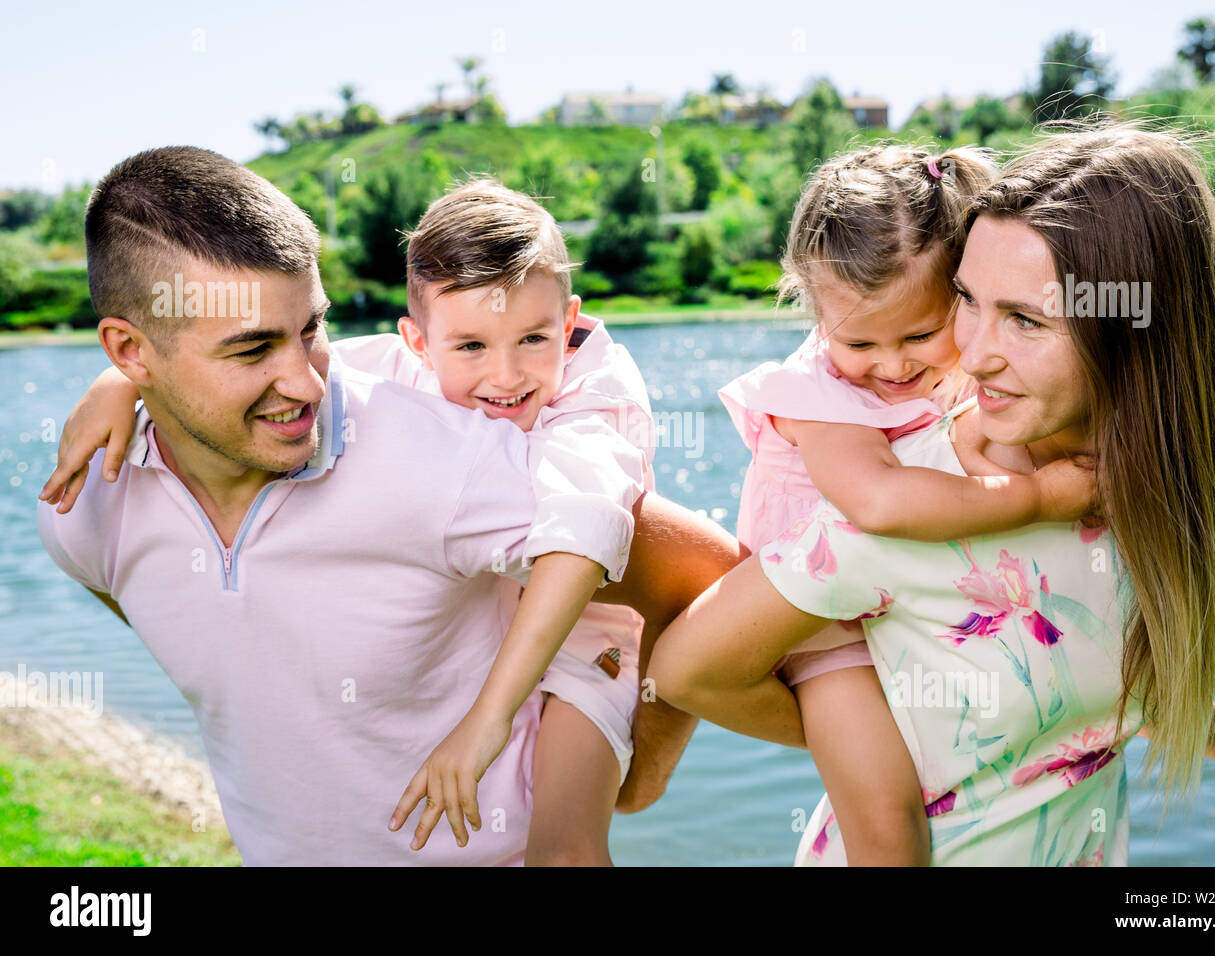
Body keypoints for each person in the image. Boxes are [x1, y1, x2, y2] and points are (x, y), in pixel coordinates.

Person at [37, 146, 736, 865]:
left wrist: (633, 765)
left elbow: (703, 578)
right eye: (252, 351)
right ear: (129, 350)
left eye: (311, 329)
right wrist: (116, 388)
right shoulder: (85, 509)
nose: (307, 384)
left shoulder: (465, 456)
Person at [648, 123, 1215, 865]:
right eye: (968, 300)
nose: (976, 352)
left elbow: (1105, 681)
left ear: (1139, 328)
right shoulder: (898, 511)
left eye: (1024, 319)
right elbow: (687, 670)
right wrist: (882, 733)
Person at [715, 145, 1097, 863]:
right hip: (824, 630)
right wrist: (1040, 496)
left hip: (908, 607)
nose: (892, 367)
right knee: (889, 821)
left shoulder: (954, 372)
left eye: (921, 334)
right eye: (858, 341)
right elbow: (882, 503)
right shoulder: (817, 396)